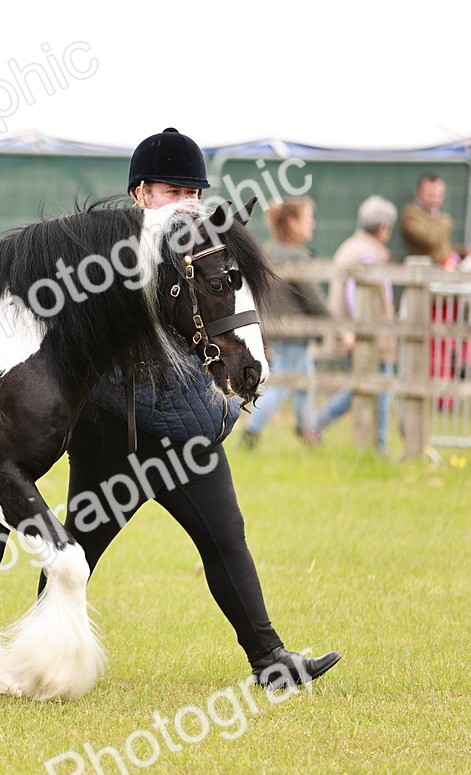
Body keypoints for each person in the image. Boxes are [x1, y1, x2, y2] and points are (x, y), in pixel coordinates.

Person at [42, 127, 341, 689]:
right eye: (171, 191)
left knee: (226, 539)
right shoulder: (101, 256)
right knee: (78, 550)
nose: (185, 202)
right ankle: (41, 658)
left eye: (193, 192)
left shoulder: (204, 251)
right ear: (140, 194)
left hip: (184, 432)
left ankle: (271, 661)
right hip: (113, 435)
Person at [241, 196, 332, 449]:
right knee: (282, 385)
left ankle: (309, 432)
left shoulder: (268, 251)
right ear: (292, 222)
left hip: (276, 331)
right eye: (308, 219)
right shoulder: (294, 257)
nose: (312, 225)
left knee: (305, 384)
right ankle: (251, 433)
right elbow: (313, 298)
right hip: (294, 333)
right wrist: (336, 325)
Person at [311, 195, 399, 455]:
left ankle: (315, 425)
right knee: (378, 389)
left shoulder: (352, 247)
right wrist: (352, 330)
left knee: (362, 387)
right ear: (383, 228)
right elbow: (355, 295)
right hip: (368, 335)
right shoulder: (366, 255)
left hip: (360, 333)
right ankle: (379, 447)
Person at [399, 174, 471, 269]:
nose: (435, 200)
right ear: (418, 193)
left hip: (445, 268)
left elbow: (442, 248)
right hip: (425, 271)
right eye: (430, 195)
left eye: (439, 196)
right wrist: (445, 222)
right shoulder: (410, 214)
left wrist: (464, 252)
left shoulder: (435, 215)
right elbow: (430, 241)